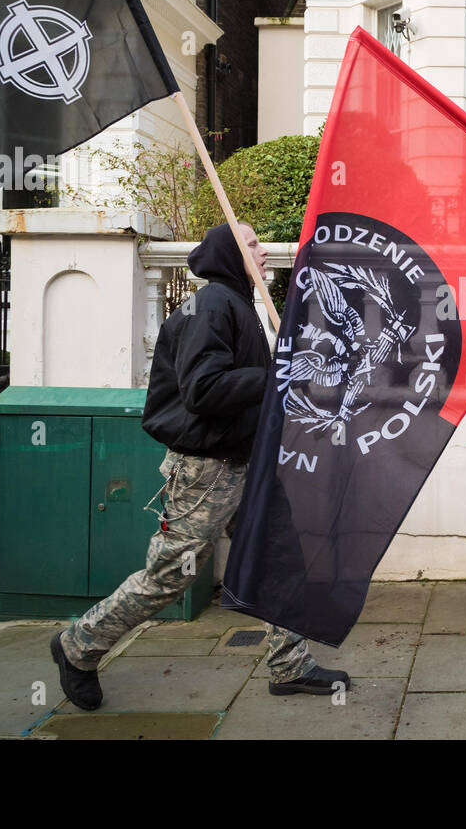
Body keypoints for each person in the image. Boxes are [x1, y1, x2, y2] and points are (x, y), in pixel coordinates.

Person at [50, 222, 350, 710]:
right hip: (209, 472)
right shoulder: (211, 306)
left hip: (246, 461)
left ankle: (289, 665)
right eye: (252, 243)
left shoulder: (235, 303)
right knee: (171, 574)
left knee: (277, 557)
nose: (263, 250)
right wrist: (277, 372)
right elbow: (204, 390)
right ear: (231, 253)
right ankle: (78, 646)